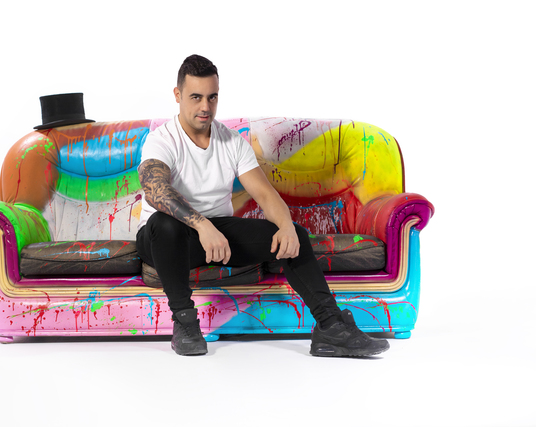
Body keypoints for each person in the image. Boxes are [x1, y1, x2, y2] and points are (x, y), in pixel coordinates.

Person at [136, 54, 389, 357]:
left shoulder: (231, 142)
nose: (205, 107)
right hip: (166, 240)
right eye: (196, 97)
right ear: (177, 95)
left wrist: (285, 227)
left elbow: (266, 195)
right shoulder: (162, 140)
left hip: (217, 238)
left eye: (212, 97)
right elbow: (156, 191)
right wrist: (202, 225)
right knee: (165, 223)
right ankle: (185, 322)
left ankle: (331, 327)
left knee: (294, 235)